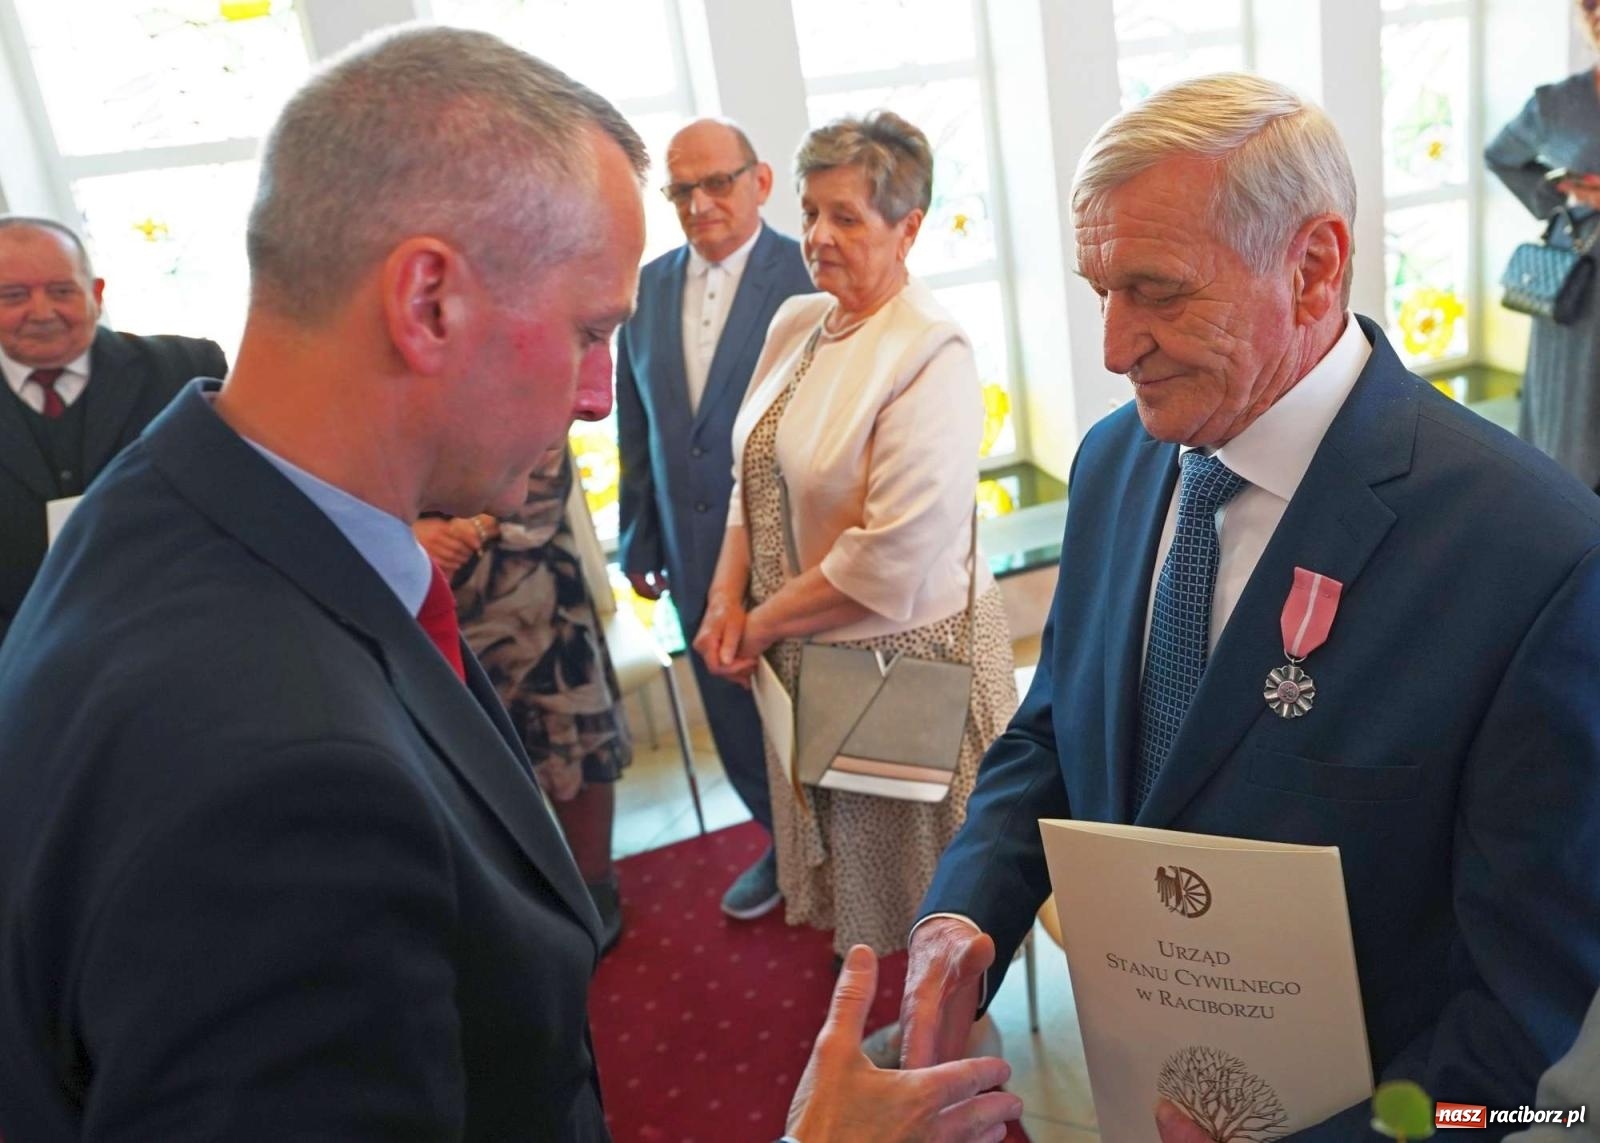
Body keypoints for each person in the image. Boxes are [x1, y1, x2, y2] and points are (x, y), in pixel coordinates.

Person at [0, 27, 1017, 1142]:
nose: (597, 396)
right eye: (589, 332)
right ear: (428, 300)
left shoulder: (144, 509)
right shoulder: (290, 790)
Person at [901, 72, 1600, 1139]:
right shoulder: (1115, 463)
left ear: (1312, 267)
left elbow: (1522, 1008)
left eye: (1158, 291)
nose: (1113, 348)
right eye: (1101, 291)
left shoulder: (1534, 552)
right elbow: (1055, 731)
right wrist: (964, 909)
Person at [695, 111, 1016, 1054]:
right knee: (862, 892)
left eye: (847, 217)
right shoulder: (799, 320)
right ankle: (908, 1043)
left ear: (908, 227)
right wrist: (723, 597)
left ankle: (950, 1062)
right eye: (810, 213)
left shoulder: (931, 349)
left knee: (930, 905)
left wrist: (758, 624)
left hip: (904, 664)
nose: (819, 237)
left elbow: (892, 555)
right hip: (810, 653)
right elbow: (750, 473)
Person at [616, 117, 812, 919]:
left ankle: (834, 854)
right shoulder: (647, 286)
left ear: (759, 181)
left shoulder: (809, 272)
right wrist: (639, 531)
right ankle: (780, 844)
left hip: (793, 551)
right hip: (689, 547)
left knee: (808, 711)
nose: (699, 204)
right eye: (681, 190)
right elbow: (637, 422)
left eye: (716, 183)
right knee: (730, 712)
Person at [416, 445, 632, 952]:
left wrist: (471, 529)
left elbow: (546, 449)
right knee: (467, 759)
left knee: (567, 732)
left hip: (532, 586)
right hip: (422, 592)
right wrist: (406, 534)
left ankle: (596, 888)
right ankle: (513, 898)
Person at [0, 216, 226, 645]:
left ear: (96, 293)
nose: (42, 312)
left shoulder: (188, 369)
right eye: (14, 296)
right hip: (21, 659)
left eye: (62, 291)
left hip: (195, 632)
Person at [1485, 0, 1600, 491]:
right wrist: (1558, 191)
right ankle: (1565, 502)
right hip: (1581, 269)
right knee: (1571, 399)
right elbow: (1502, 155)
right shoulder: (1557, 103)